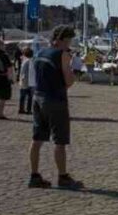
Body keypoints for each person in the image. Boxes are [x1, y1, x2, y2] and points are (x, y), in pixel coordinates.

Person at [28, 25, 83, 189]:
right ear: (64, 40)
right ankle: (62, 176)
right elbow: (68, 81)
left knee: (37, 139)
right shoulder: (63, 55)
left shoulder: (40, 53)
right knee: (60, 141)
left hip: (38, 97)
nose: (70, 44)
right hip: (55, 99)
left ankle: (34, 175)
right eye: (70, 40)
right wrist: (73, 73)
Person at [18, 47, 35, 114]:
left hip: (24, 81)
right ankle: (28, 110)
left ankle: (21, 109)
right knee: (30, 97)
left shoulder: (24, 61)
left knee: (23, 97)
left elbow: (22, 71)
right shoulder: (30, 61)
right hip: (29, 81)